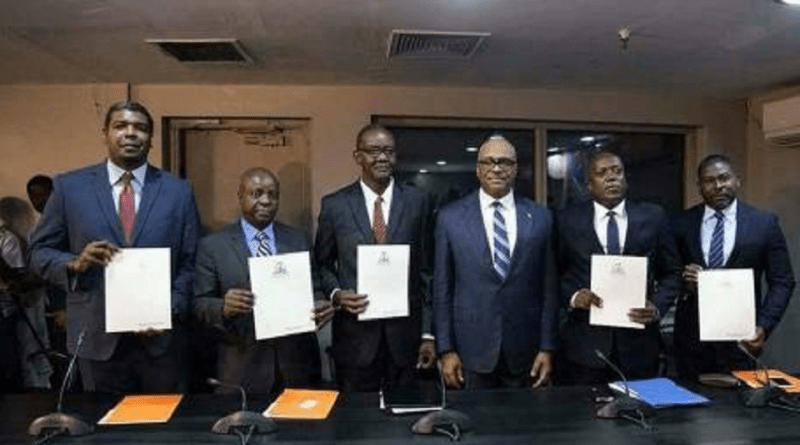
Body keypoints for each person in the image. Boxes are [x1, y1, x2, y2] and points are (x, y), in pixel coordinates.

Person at [29, 101, 201, 393]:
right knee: (102, 419)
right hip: (95, 335)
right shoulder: (70, 188)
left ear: (151, 138)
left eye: (140, 128)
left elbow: (191, 261)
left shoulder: (178, 191)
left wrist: (171, 307)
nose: (131, 133)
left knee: (161, 419)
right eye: (121, 126)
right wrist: (74, 264)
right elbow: (38, 252)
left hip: (159, 339)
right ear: (105, 133)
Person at [314, 124, 435, 392]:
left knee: (405, 411)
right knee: (357, 415)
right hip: (354, 338)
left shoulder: (418, 202)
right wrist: (336, 294)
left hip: (405, 337)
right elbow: (321, 264)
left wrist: (428, 334)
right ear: (358, 156)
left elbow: (427, 272)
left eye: (389, 151)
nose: (382, 158)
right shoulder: (335, 205)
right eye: (374, 151)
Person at [433, 135, 558, 389]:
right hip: (469, 350)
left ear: (516, 169)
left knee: (526, 415)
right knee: (471, 415)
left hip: (526, 351)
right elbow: (442, 288)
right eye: (489, 162)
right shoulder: (450, 217)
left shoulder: (541, 217)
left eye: (505, 162)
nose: (497, 168)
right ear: (478, 169)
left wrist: (547, 347)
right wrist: (446, 349)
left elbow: (549, 288)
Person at [193, 167, 329, 395]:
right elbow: (199, 303)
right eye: (256, 194)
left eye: (272, 195)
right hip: (241, 368)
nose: (266, 201)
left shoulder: (298, 239)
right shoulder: (213, 246)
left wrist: (320, 305)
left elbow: (314, 289)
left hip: (297, 365)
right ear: (240, 196)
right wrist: (223, 307)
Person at [555, 151, 681, 384]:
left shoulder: (653, 216)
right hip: (585, 347)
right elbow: (555, 274)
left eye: (617, 171)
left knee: (640, 404)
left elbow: (672, 272)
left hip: (639, 345)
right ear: (589, 184)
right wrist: (573, 296)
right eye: (602, 173)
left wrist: (657, 306)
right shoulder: (567, 221)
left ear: (625, 179)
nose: (611, 177)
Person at [672, 154, 795, 380]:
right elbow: (668, 275)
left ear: (737, 180)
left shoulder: (764, 223)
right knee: (689, 401)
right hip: (691, 340)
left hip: (742, 339)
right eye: (709, 180)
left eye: (724, 178)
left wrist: (764, 326)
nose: (718, 185)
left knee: (741, 401)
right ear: (699, 186)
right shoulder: (680, 223)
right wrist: (685, 281)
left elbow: (783, 281)